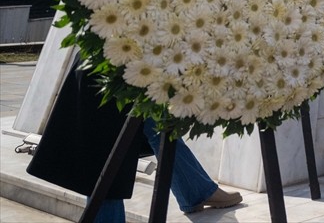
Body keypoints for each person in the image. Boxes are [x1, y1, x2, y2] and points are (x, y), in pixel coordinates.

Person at [28, 61, 242, 223]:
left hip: (129, 62)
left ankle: (196, 190)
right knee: (105, 150)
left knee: (154, 124)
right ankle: (196, 191)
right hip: (111, 65)